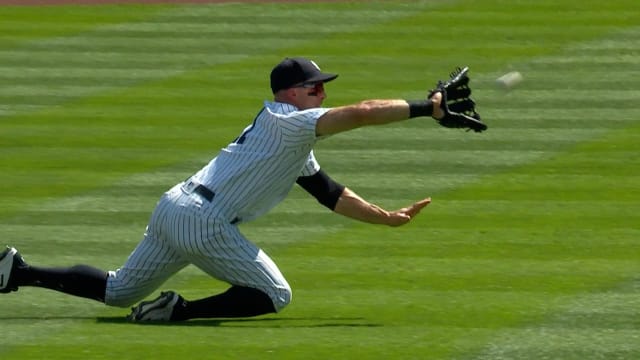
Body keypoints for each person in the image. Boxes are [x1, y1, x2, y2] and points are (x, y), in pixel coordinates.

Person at [0, 57, 443, 322]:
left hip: (175, 207)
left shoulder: (287, 135)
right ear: (289, 93)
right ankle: (179, 311)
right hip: (202, 222)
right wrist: (429, 109)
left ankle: (16, 270)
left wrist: (385, 216)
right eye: (315, 87)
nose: (322, 94)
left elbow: (330, 193)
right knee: (276, 295)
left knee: (119, 292)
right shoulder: (289, 122)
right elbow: (364, 112)